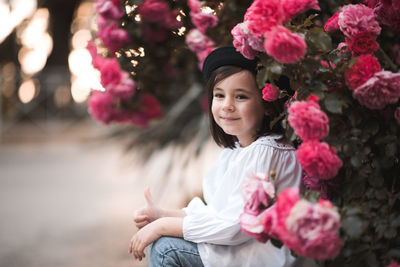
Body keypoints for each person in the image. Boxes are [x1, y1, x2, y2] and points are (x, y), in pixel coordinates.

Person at [128, 46, 302, 267]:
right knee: (164, 243)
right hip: (239, 251)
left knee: (166, 248)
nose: (227, 105)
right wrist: (162, 215)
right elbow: (216, 213)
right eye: (219, 95)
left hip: (256, 258)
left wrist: (162, 227)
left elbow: (235, 226)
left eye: (240, 96)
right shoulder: (237, 150)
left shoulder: (267, 151)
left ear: (266, 105)